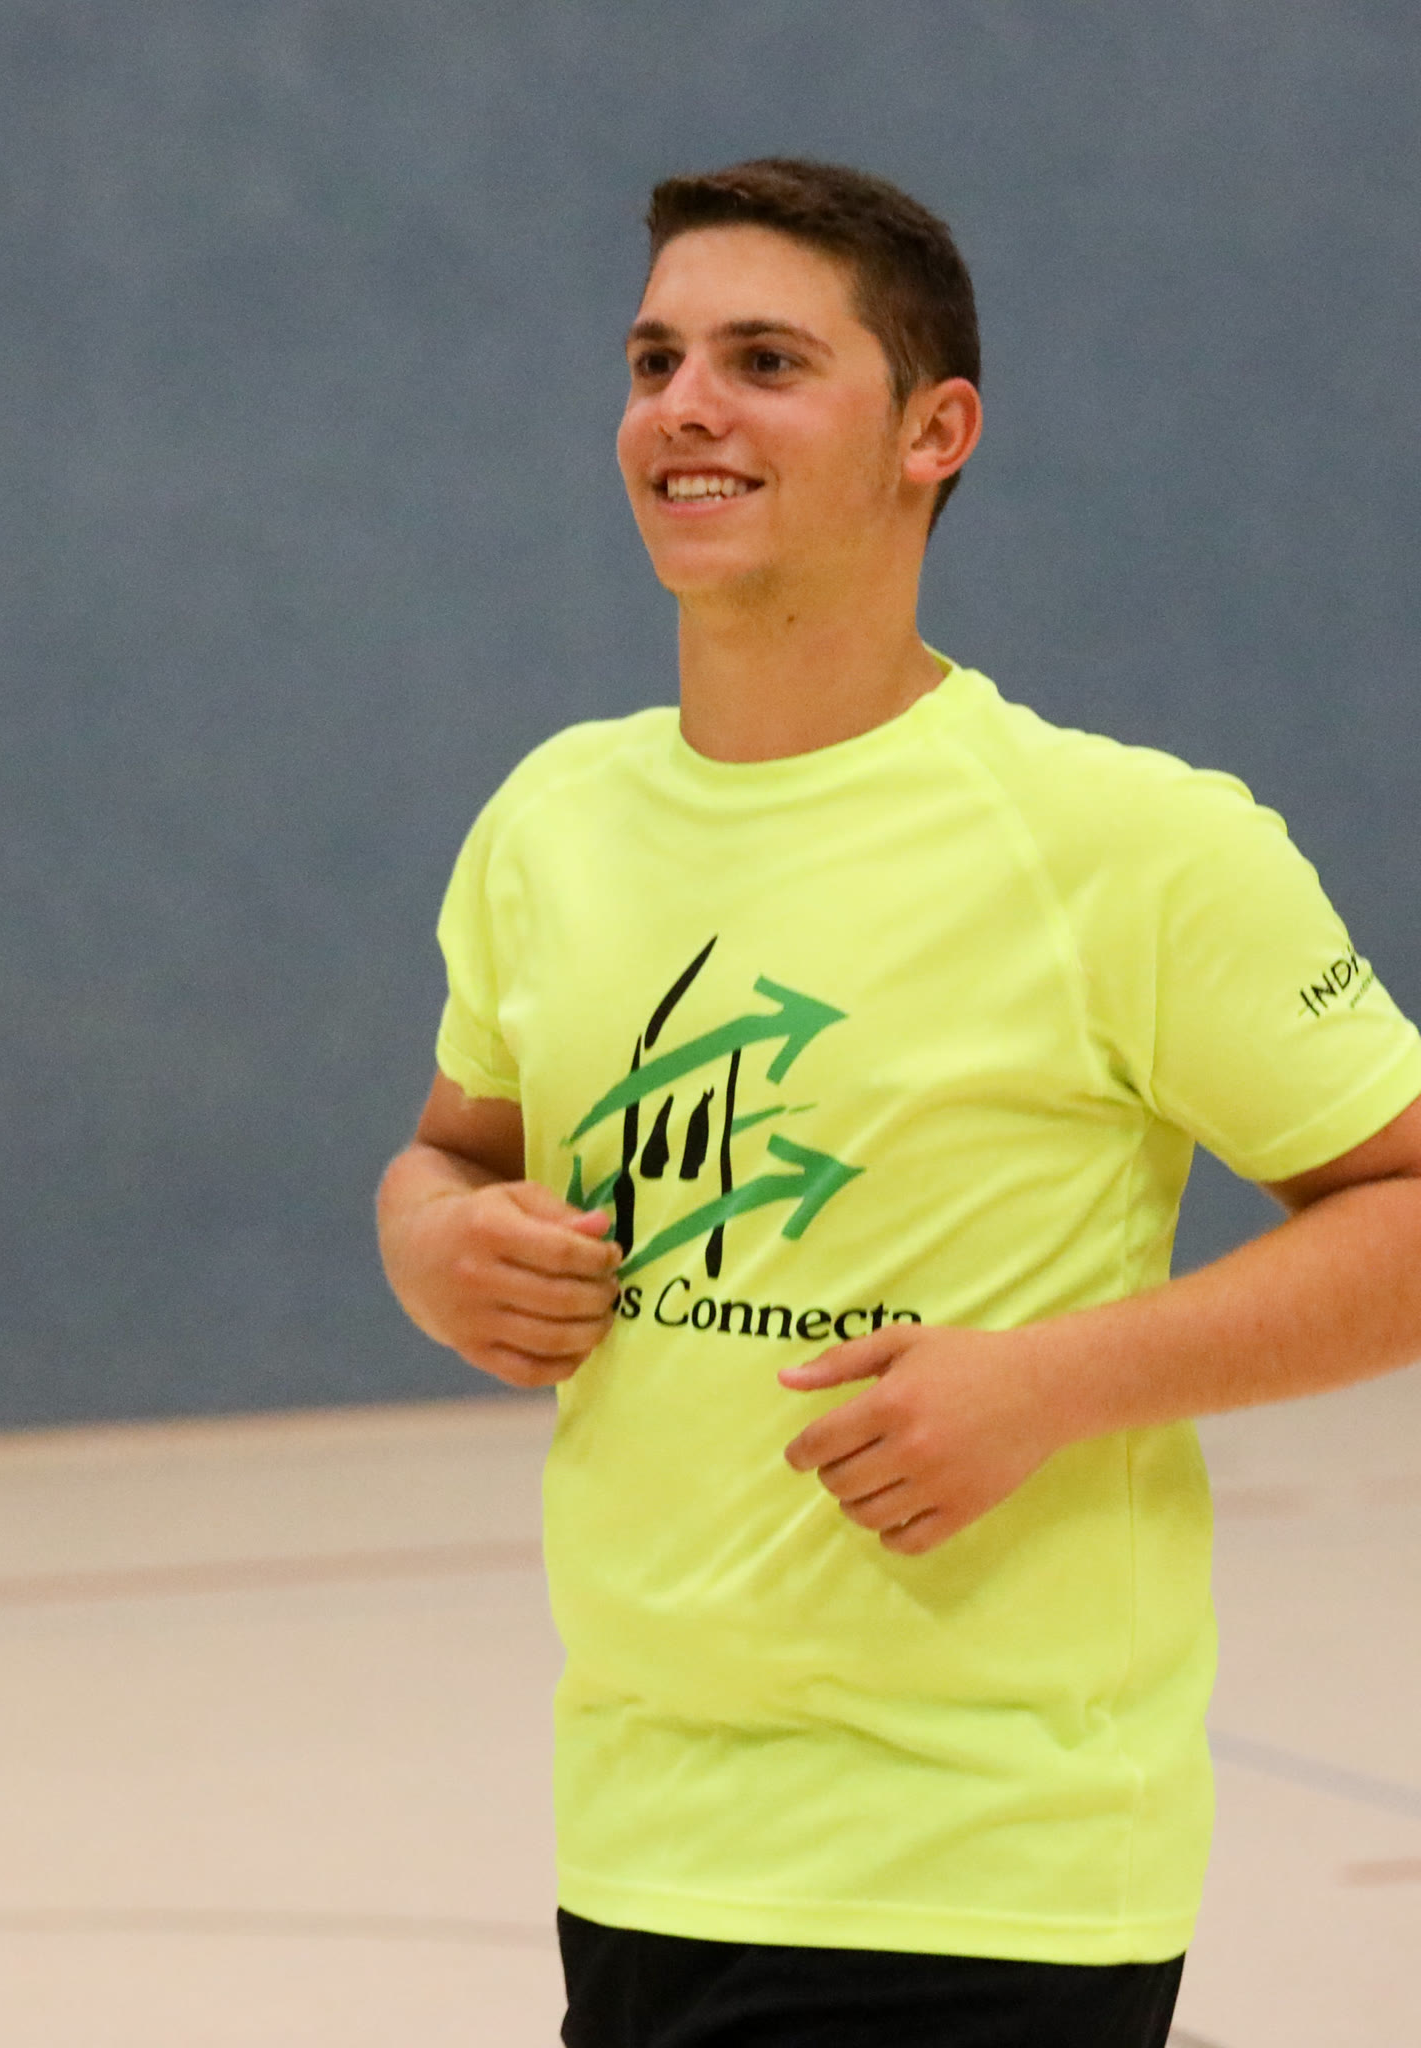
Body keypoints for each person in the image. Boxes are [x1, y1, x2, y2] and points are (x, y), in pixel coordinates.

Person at [376, 158, 1421, 2048]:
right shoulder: (554, 822)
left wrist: (1054, 1383)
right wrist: (436, 1248)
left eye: (766, 361)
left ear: (935, 432)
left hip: (990, 1869)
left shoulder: (1128, 845)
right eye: (655, 360)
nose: (685, 407)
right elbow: (452, 1156)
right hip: (642, 1842)